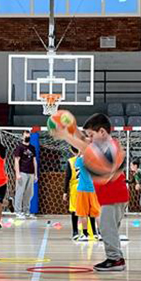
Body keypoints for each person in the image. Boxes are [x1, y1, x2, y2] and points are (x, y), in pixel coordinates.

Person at [53, 114, 126, 272]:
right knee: (109, 229)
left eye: (91, 135)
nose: (89, 138)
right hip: (112, 197)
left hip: (113, 197)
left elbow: (86, 147)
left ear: (102, 132)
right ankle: (116, 257)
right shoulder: (103, 143)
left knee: (107, 229)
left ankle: (115, 259)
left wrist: (66, 135)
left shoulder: (110, 146)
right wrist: (71, 125)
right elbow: (85, 141)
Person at [63, 153, 94, 241]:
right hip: (87, 187)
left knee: (74, 210)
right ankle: (93, 232)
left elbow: (67, 177)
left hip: (75, 188)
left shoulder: (71, 161)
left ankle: (75, 232)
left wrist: (65, 191)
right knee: (89, 210)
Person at [71, 154, 101, 241]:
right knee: (96, 213)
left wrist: (80, 155)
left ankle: (85, 234)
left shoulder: (81, 159)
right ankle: (100, 234)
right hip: (93, 189)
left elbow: (76, 165)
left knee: (82, 213)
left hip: (82, 189)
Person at [13, 130, 38, 218]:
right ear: (22, 136)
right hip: (22, 172)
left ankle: (26, 211)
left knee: (29, 193)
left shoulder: (32, 148)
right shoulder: (19, 147)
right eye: (25, 135)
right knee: (20, 192)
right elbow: (16, 160)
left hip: (31, 173)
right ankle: (18, 211)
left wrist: (35, 174)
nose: (27, 136)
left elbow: (34, 161)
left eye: (28, 135)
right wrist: (17, 173)